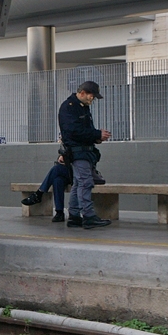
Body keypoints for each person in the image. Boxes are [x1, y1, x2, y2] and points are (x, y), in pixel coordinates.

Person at [59, 80, 111, 229]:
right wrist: (96, 134)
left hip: (84, 151)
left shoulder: (82, 107)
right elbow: (73, 132)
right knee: (85, 183)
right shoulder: (69, 108)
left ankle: (75, 215)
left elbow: (82, 130)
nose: (92, 99)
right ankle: (88, 216)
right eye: (91, 96)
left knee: (78, 183)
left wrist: (96, 137)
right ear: (82, 93)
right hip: (78, 151)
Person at [21, 148, 72, 223]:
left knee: (56, 169)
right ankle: (59, 212)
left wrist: (68, 159)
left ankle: (39, 194)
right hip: (67, 172)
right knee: (57, 181)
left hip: (79, 171)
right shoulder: (67, 141)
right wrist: (62, 159)